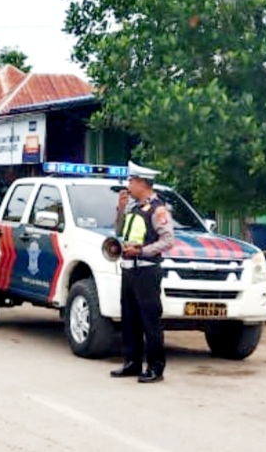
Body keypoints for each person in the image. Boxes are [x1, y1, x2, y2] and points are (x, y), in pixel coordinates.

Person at [110, 161, 175, 383]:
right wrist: (120, 208)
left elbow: (168, 240)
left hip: (146, 271)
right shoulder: (134, 208)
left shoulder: (158, 209)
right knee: (130, 320)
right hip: (129, 269)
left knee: (150, 321)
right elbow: (118, 231)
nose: (128, 184)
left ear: (141, 183)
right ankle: (132, 362)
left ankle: (156, 367)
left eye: (131, 181)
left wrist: (143, 251)